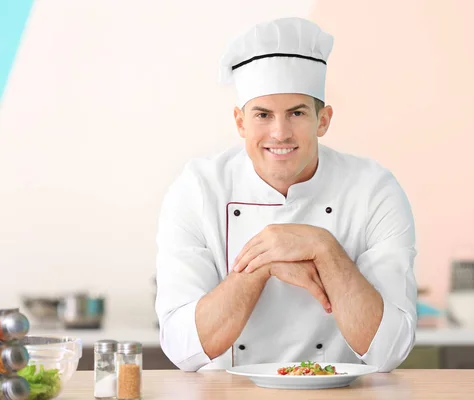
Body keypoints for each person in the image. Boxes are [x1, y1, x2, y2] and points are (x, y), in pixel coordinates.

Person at [154, 17, 418, 373]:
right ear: (240, 121)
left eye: (296, 113)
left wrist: (323, 247)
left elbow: (390, 350)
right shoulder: (198, 189)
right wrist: (262, 263)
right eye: (263, 114)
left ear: (322, 120)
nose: (279, 133)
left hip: (337, 397)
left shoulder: (373, 190)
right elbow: (181, 347)